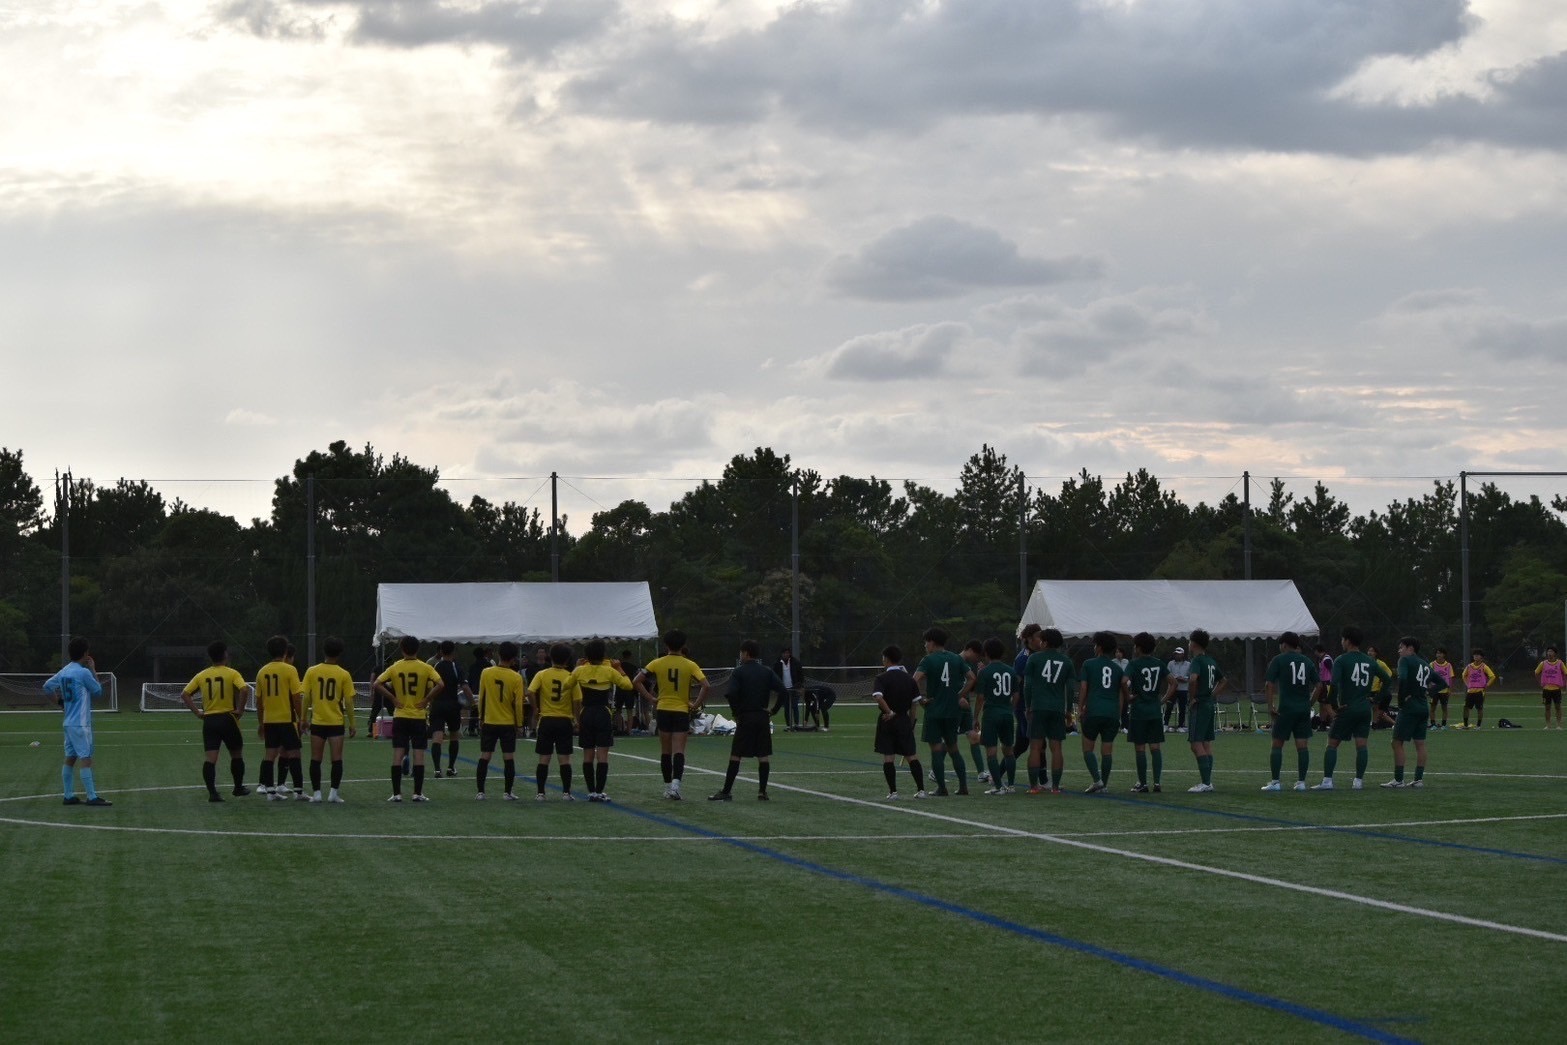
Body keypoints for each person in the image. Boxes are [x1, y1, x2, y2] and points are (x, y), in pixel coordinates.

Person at [1311, 625, 1390, 791]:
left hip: (1347, 708)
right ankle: (1358, 781)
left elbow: (1334, 684)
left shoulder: (1341, 660)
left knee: (1332, 744)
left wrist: (1334, 705)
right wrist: (1376, 699)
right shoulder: (1370, 661)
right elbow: (1387, 680)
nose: (1341, 642)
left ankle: (1327, 781)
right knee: (1361, 745)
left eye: (1342, 639)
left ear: (1347, 640)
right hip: (1364, 709)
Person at [710, 640, 787, 801]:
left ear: (745, 653)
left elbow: (731, 694)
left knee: (736, 754)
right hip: (762, 717)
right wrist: (773, 710)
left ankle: (726, 791)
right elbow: (783, 691)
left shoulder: (739, 672)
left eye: (741, 652)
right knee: (763, 755)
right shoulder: (766, 671)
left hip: (745, 717)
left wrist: (736, 713)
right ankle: (762, 792)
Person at [637, 629, 709, 800]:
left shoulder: (657, 662)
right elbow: (706, 685)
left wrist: (651, 698)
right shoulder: (690, 664)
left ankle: (667, 786)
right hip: (681, 710)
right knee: (679, 751)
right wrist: (695, 705)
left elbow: (636, 681)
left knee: (665, 751)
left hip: (663, 709)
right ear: (683, 645)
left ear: (666, 645)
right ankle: (676, 787)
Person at [374, 636, 443, 802]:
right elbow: (441, 684)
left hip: (401, 715)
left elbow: (377, 684)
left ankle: (396, 794)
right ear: (417, 649)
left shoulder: (395, 667)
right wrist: (426, 700)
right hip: (418, 716)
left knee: (398, 754)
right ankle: (417, 793)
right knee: (419, 754)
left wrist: (392, 698)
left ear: (402, 649)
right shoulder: (425, 667)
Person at [180, 640, 252, 801]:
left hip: (210, 720)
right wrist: (240, 709)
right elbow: (244, 689)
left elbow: (185, 694)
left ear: (211, 657)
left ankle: (213, 793)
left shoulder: (202, 675)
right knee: (236, 754)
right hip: (228, 718)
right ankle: (238, 788)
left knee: (211, 758)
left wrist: (198, 712)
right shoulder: (232, 673)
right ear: (225, 654)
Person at [43, 636, 110, 806]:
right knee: (86, 758)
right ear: (85, 653)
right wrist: (93, 669)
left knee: (70, 758)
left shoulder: (65, 670)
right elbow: (98, 691)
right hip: (81, 724)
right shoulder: (83, 672)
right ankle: (91, 797)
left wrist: (60, 703)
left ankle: (68, 795)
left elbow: (47, 687)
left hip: (68, 723)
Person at [913, 626, 975, 796]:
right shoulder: (956, 658)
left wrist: (920, 699)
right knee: (953, 748)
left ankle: (942, 788)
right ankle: (963, 787)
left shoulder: (928, 660)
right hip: (953, 711)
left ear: (932, 642)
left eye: (926, 642)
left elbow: (914, 680)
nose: (925, 645)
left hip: (934, 710)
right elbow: (971, 678)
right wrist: (959, 695)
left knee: (936, 749)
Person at [574, 639, 633, 802]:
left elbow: (566, 685)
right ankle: (599, 792)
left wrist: (576, 668)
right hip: (603, 713)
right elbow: (628, 685)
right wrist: (619, 668)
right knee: (602, 755)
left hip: (586, 713)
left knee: (587, 754)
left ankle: (591, 791)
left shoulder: (580, 671)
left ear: (586, 656)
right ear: (603, 655)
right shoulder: (609, 671)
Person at [302, 636, 357, 803]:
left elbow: (306, 697)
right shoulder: (344, 674)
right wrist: (352, 723)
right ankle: (333, 793)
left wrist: (303, 719)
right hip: (336, 722)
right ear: (339, 653)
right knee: (337, 759)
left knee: (315, 759)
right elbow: (348, 701)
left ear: (323, 651)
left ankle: (317, 794)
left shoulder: (312, 671)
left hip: (318, 722)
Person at [1260, 631, 1316, 792]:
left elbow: (1269, 684)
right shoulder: (1307, 661)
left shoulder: (1278, 660)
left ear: (1283, 645)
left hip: (1285, 709)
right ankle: (1301, 782)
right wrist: (1310, 703)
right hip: (1303, 709)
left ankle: (1275, 782)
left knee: (1277, 744)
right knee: (1302, 746)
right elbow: (1319, 685)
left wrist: (1270, 706)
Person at [1022, 627, 1074, 793]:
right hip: (1057, 708)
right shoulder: (1067, 661)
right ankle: (1055, 787)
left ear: (1044, 642)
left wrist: (1028, 706)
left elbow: (1027, 685)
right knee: (1056, 748)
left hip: (1038, 706)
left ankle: (1033, 787)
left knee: (1035, 747)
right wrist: (1068, 710)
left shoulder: (1034, 658)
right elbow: (1070, 689)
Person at [529, 643, 583, 800]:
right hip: (564, 721)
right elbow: (577, 700)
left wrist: (536, 709)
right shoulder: (570, 676)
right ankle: (566, 793)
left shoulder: (542, 674)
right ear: (567, 659)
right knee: (564, 759)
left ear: (550, 657)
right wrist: (577, 719)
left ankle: (540, 793)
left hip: (546, 720)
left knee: (544, 758)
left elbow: (530, 692)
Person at [873, 645, 927, 799]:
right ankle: (921, 790)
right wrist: (911, 723)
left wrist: (889, 712)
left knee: (888, 756)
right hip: (904, 720)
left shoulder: (881, 678)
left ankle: (893, 792)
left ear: (886, 659)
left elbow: (878, 697)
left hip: (887, 721)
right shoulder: (909, 679)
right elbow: (914, 704)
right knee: (911, 755)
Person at [255, 635, 305, 801]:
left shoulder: (262, 671)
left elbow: (259, 702)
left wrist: (261, 723)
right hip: (286, 719)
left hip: (269, 720)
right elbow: (296, 698)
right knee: (294, 753)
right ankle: (298, 791)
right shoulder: (290, 670)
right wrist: (302, 718)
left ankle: (270, 791)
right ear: (285, 651)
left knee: (270, 754)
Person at [1077, 630, 1127, 794]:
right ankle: (1104, 785)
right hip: (1112, 712)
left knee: (1087, 749)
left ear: (1098, 647)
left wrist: (1080, 708)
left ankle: (1097, 780)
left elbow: (1083, 687)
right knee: (1107, 751)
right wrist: (1119, 714)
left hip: (1094, 710)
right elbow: (1121, 694)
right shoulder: (1118, 669)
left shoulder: (1088, 664)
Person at [475, 642, 526, 801]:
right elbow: (518, 704)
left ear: (498, 654)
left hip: (490, 720)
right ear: (513, 658)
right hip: (507, 723)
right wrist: (519, 724)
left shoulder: (486, 672)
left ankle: (481, 792)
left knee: (485, 755)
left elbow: (482, 697)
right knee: (508, 757)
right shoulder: (516, 677)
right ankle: (507, 792)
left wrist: (481, 717)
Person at [1383, 636, 1432, 789]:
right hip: (1423, 707)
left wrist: (1401, 700)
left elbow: (1403, 678)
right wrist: (1425, 692)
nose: (1399, 650)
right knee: (1420, 744)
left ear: (1410, 648)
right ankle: (1418, 780)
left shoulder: (1404, 660)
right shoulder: (1425, 664)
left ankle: (1399, 780)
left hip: (1410, 707)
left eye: (1401, 647)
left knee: (1397, 742)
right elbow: (1442, 683)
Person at [1123, 632, 1167, 793]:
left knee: (1140, 748)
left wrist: (1128, 697)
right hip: (1154, 710)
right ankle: (1157, 783)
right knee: (1155, 747)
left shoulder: (1134, 664)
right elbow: (1174, 683)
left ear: (1139, 648)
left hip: (1139, 710)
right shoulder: (1159, 663)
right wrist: (1162, 700)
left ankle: (1142, 783)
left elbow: (1123, 681)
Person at [974, 638, 1018, 795]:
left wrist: (975, 717)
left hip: (991, 714)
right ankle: (1011, 786)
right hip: (1006, 713)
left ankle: (998, 787)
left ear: (986, 653)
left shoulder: (984, 672)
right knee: (1009, 751)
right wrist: (1010, 709)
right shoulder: (1011, 671)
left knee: (991, 752)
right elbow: (1016, 695)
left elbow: (980, 697)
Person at [1185, 629, 1226, 793]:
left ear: (1194, 644)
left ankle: (1206, 782)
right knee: (1206, 742)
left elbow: (1193, 679)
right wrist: (1212, 695)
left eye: (1190, 641)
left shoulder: (1197, 661)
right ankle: (1208, 782)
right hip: (1209, 704)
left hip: (1200, 704)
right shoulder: (1211, 661)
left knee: (1196, 743)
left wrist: (1192, 698)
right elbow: (1223, 681)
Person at [428, 640, 467, 778]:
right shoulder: (456, 667)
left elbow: (431, 685)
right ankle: (450, 767)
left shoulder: (436, 666)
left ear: (441, 651)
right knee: (454, 735)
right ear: (453, 651)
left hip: (437, 704)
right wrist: (472, 702)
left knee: (437, 737)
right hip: (452, 705)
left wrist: (429, 700)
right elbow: (464, 686)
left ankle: (437, 769)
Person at [959, 639, 990, 783]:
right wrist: (957, 698)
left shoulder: (968, 664)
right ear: (970, 650)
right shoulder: (955, 661)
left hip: (965, 705)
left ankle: (981, 773)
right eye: (977, 656)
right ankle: (935, 770)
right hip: (955, 705)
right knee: (949, 739)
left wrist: (981, 673)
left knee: (973, 736)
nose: (977, 659)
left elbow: (972, 685)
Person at [1460, 649, 1496, 729]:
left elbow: (1492, 676)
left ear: (1481, 657)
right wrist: (1467, 684)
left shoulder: (1484, 666)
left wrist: (1487, 685)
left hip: (1480, 691)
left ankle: (1478, 725)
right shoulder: (1469, 666)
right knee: (1466, 708)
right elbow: (1463, 675)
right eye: (1474, 655)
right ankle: (1465, 725)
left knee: (1479, 708)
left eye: (1478, 655)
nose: (1475, 656)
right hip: (1470, 691)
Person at [771, 648, 804, 730]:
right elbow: (774, 676)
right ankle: (789, 725)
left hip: (794, 688)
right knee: (786, 707)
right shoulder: (777, 664)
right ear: (781, 654)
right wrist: (776, 688)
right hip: (784, 689)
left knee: (795, 706)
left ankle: (796, 724)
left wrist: (800, 686)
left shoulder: (795, 662)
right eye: (784, 653)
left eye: (787, 653)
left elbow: (801, 675)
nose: (786, 654)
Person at [1535, 646, 1565, 730]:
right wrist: (1540, 682)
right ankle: (1548, 725)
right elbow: (1536, 673)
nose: (1549, 653)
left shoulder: (1560, 663)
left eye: (1551, 651)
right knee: (1547, 707)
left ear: (1555, 653)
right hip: (1546, 690)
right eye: (1548, 651)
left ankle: (1559, 725)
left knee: (1558, 707)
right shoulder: (1543, 663)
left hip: (1557, 689)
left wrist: (1564, 684)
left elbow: (1565, 673)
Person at [464, 646, 492, 738]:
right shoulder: (489, 665)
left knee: (474, 710)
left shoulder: (472, 666)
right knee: (486, 710)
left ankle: (472, 728)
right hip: (486, 691)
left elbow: (469, 680)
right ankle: (484, 728)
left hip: (474, 691)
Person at [1163, 646, 1191, 733]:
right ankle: (1165, 725)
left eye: (1179, 654)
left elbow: (1190, 677)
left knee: (1182, 708)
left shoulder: (1188, 664)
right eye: (1176, 654)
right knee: (1169, 707)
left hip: (1183, 689)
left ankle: (1180, 726)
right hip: (1172, 689)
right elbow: (1168, 675)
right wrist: (1176, 678)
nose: (1177, 655)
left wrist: (1184, 679)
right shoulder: (1170, 663)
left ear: (1182, 655)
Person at [1368, 645, 1396, 729]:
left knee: (1376, 708)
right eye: (1369, 651)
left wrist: (1383, 681)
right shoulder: (1366, 662)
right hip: (1369, 689)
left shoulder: (1380, 663)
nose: (1369, 653)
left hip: (1377, 689)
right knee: (1376, 710)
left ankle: (1374, 724)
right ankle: (1374, 724)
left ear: (1376, 653)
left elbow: (1389, 672)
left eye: (1372, 651)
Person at [614, 648, 640, 735]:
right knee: (629, 711)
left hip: (620, 689)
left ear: (622, 656)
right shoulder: (633, 667)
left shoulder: (618, 666)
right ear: (630, 657)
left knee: (618, 710)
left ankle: (619, 729)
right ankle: (629, 730)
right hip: (629, 690)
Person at [1428, 647, 1454, 729]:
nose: (1438, 655)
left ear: (1444, 655)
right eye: (1437, 653)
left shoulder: (1448, 665)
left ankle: (1444, 725)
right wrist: (1429, 688)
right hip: (1435, 690)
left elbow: (1450, 677)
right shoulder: (1432, 664)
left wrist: (1450, 689)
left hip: (1444, 690)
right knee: (1432, 708)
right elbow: (1428, 676)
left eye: (1440, 653)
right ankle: (1433, 724)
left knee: (1444, 708)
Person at [1314, 643, 1337, 730]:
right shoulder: (1322, 659)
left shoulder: (1326, 659)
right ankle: (1322, 723)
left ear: (1317, 651)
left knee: (1326, 705)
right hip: (1323, 683)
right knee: (1322, 704)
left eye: (1315, 651)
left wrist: (1332, 684)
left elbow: (1332, 671)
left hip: (1327, 684)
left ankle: (1338, 722)